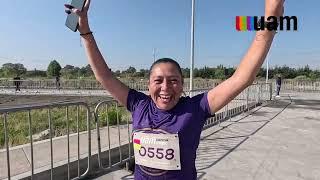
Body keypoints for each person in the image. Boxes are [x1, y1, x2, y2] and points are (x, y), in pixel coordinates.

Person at [64, 0, 284, 179]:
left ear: (182, 85)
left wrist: (269, 26)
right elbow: (104, 76)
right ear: (148, 84)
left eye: (174, 80)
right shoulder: (139, 104)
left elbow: (242, 79)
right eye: (158, 80)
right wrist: (85, 31)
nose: (165, 88)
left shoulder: (195, 108)